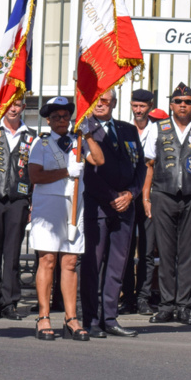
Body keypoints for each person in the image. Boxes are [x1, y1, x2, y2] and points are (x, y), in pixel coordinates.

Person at [142, 82, 191, 325]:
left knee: (188, 254)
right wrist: (146, 197)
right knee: (166, 253)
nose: (183, 105)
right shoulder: (158, 129)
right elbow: (148, 165)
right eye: (178, 102)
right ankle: (166, 306)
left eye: (187, 102)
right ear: (171, 105)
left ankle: (185, 306)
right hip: (163, 196)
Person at [28, 97, 104, 341]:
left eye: (65, 116)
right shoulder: (41, 144)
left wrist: (88, 135)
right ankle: (44, 316)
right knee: (48, 260)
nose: (62, 120)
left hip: (74, 206)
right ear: (48, 120)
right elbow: (35, 176)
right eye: (56, 117)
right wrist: (66, 171)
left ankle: (71, 318)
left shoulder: (77, 141)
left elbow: (99, 160)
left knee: (70, 262)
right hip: (48, 206)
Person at [80, 89, 146, 338]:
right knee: (92, 264)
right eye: (96, 99)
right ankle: (91, 319)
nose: (101, 104)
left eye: (106, 100)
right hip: (98, 205)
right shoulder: (84, 128)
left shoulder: (127, 129)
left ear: (114, 103)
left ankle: (110, 317)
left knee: (117, 265)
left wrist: (131, 193)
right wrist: (111, 197)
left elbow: (140, 166)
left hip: (126, 205)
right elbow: (88, 172)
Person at [0, 95, 36, 320]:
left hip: (19, 199)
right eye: (9, 104)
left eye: (17, 104)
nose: (13, 109)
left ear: (23, 107)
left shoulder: (31, 136)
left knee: (12, 253)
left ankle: (10, 302)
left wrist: (32, 202)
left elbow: (34, 171)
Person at [120, 88, 158, 315]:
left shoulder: (158, 129)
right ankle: (127, 298)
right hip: (128, 194)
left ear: (150, 107)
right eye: (135, 106)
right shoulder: (124, 129)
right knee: (124, 249)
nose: (138, 110)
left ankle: (143, 297)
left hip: (150, 198)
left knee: (146, 250)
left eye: (142, 106)